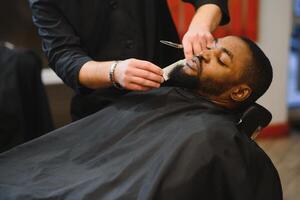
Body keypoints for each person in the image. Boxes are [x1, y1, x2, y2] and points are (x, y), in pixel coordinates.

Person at [0, 36, 282, 200]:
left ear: (240, 91)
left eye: (221, 59)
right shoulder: (157, 96)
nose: (205, 54)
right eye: (211, 47)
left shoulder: (215, 140)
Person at [28, 0, 230, 120]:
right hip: (103, 111)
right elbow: (63, 56)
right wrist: (114, 71)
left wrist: (199, 27)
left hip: (174, 95)